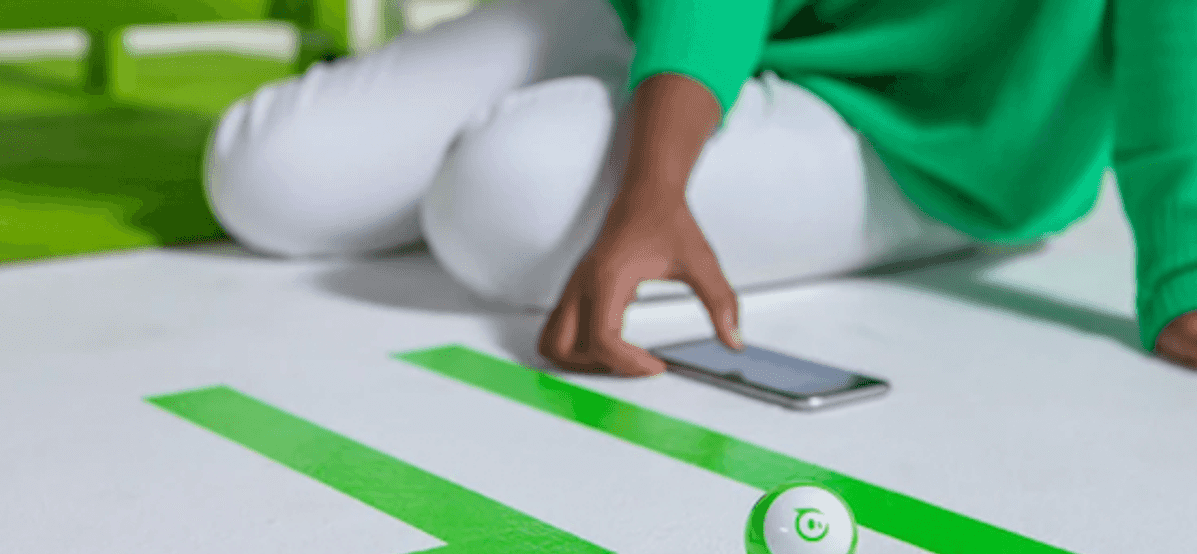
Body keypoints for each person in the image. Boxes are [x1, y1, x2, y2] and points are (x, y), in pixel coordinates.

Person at [203, 0, 1197, 374]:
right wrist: (653, 182)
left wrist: (1182, 274)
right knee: (265, 177)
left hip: (939, 131)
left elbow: (1175, 40)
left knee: (501, 197)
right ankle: (636, 112)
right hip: (691, 16)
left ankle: (598, 125)